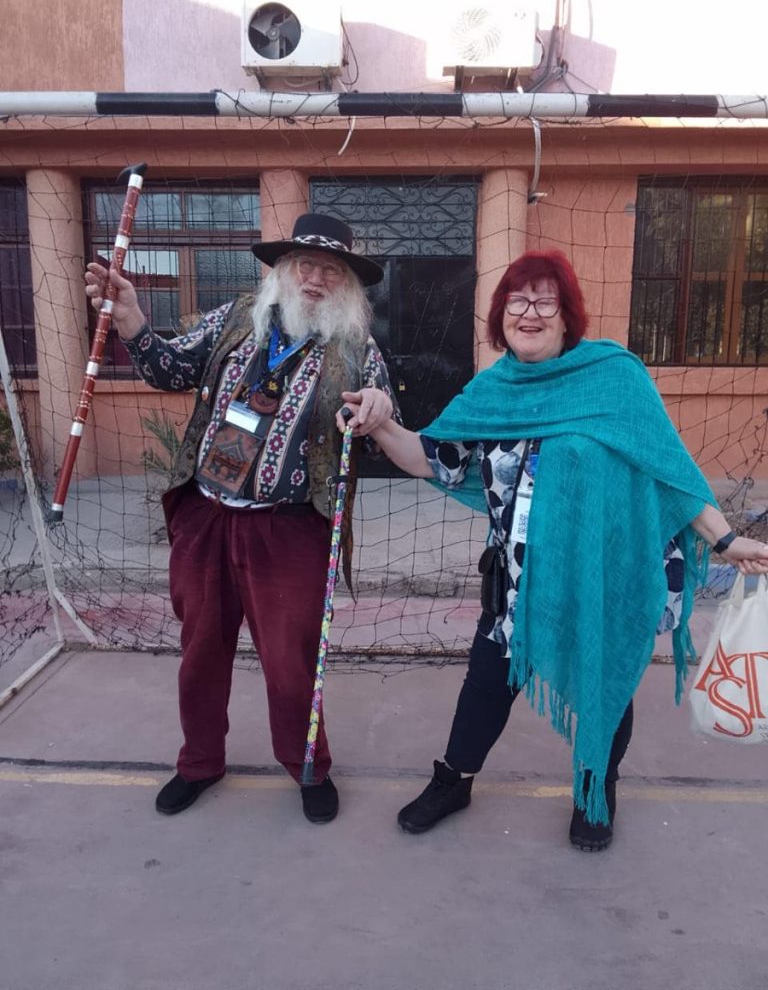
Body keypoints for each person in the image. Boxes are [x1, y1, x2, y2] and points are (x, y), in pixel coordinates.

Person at [338, 249, 768, 851]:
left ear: (568, 316)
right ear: (501, 317)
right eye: (518, 301)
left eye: (546, 300)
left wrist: (723, 537)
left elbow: (670, 469)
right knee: (487, 684)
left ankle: (596, 788)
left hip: (604, 576)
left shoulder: (614, 376)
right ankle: (454, 780)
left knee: (605, 681)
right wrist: (379, 422)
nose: (530, 312)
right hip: (515, 583)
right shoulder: (492, 392)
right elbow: (430, 459)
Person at [84, 213, 398, 823]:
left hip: (289, 528)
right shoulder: (234, 319)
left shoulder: (359, 349)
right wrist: (130, 320)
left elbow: (381, 431)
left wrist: (379, 410)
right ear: (283, 269)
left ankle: (308, 765)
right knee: (200, 651)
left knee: (290, 659)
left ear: (347, 285)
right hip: (207, 515)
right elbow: (168, 370)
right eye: (305, 264)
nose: (314, 277)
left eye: (330, 270)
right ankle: (199, 761)